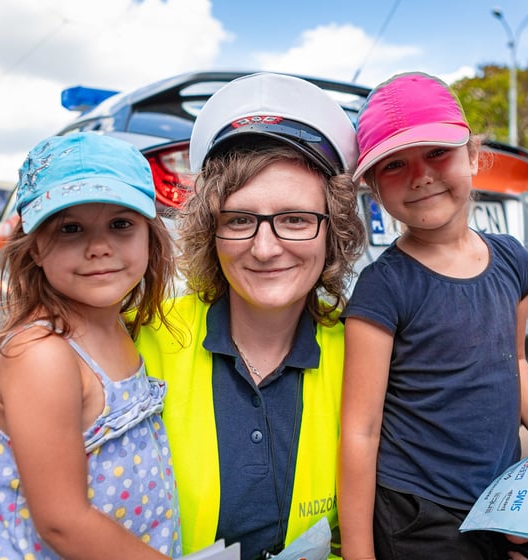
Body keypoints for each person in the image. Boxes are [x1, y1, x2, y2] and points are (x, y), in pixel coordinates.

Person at [337, 72, 528, 560]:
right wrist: (359, 553)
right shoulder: (382, 287)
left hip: (501, 499)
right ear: (373, 186)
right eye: (395, 164)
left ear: (473, 155)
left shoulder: (512, 259)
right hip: (419, 514)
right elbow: (360, 431)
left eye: (437, 152)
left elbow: (517, 362)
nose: (420, 175)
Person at [135, 72, 366, 560]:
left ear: (335, 231)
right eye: (239, 220)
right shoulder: (141, 339)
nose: (264, 248)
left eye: (295, 220)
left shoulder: (366, 353)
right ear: (210, 231)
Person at [0, 132, 181, 560]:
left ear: (150, 235)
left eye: (121, 224)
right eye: (70, 228)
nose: (99, 248)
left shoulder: (117, 328)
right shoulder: (42, 355)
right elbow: (62, 521)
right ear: (35, 249)